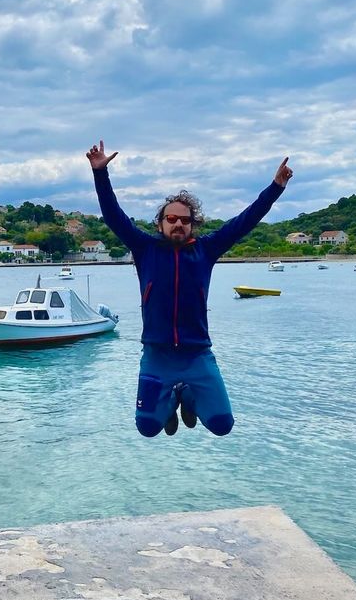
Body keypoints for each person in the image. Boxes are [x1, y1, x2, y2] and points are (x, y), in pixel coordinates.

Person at [86, 140, 293, 438]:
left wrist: (275, 187)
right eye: (171, 219)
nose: (179, 224)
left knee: (223, 425)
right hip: (157, 355)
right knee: (147, 428)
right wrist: (100, 174)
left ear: (193, 225)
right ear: (160, 224)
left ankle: (188, 396)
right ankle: (171, 401)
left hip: (197, 354)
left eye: (185, 220)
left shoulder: (206, 250)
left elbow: (245, 221)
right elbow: (113, 215)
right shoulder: (145, 248)